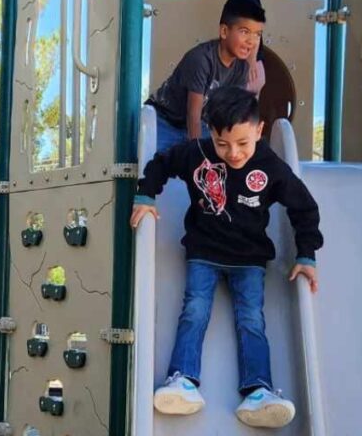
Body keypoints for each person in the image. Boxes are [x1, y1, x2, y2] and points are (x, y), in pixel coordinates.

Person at [132, 86, 324, 428]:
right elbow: (162, 162)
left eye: (243, 144)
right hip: (204, 252)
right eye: (223, 144)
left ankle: (259, 391)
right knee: (194, 310)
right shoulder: (198, 153)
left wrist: (306, 254)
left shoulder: (269, 166)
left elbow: (304, 207)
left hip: (249, 259)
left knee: (251, 319)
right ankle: (182, 380)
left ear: (259, 131)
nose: (233, 153)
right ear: (211, 132)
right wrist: (146, 194)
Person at [146, 0, 265, 153]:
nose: (251, 41)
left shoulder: (241, 68)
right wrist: (198, 156)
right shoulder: (201, 59)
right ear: (224, 31)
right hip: (164, 120)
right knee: (150, 158)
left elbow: (233, 115)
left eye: (257, 34)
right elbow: (193, 114)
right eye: (244, 32)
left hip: (201, 124)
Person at [213, 0, 266, 95]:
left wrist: (249, 64)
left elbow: (254, 30)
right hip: (245, 64)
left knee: (235, 109)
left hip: (247, 66)